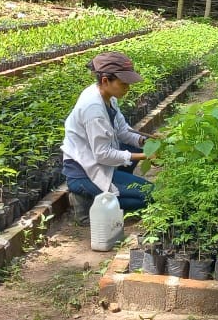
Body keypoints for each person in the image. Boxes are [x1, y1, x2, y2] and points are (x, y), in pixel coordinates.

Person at [60, 52, 153, 224]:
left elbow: (123, 131)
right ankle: (87, 199)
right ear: (105, 80)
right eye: (123, 83)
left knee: (135, 149)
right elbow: (102, 154)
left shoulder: (107, 96)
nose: (127, 88)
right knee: (149, 194)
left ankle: (100, 196)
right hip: (84, 172)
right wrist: (146, 156)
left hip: (99, 162)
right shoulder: (93, 109)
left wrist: (146, 143)